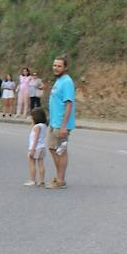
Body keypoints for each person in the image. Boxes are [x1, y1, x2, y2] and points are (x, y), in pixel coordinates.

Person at [45, 57, 76, 190]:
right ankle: (58, 176)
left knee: (61, 152)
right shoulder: (59, 81)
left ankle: (60, 180)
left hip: (61, 124)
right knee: (52, 148)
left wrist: (64, 125)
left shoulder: (67, 82)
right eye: (54, 65)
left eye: (59, 66)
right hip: (54, 122)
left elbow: (69, 104)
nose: (56, 68)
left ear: (65, 68)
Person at [24, 107, 48, 187]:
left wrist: (32, 149)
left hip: (36, 147)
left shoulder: (37, 127)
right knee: (41, 164)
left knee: (32, 163)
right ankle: (41, 180)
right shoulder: (44, 125)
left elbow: (36, 138)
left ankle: (32, 180)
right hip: (42, 147)